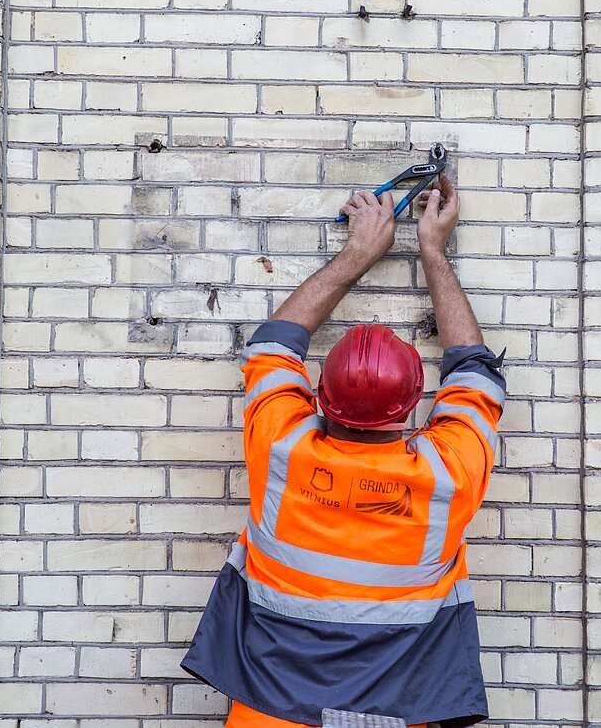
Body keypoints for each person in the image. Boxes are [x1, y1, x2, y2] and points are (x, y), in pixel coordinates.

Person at [183, 176, 505, 728]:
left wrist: (358, 254)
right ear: (410, 410)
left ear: (318, 399)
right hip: (399, 716)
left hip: (269, 715)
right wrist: (432, 250)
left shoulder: (282, 450)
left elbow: (274, 344)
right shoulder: (444, 477)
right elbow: (474, 370)